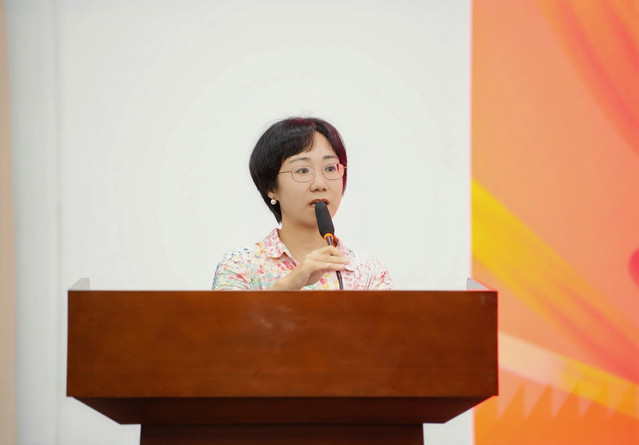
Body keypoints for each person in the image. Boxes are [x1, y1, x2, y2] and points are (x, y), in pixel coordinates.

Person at [212, 117, 393, 290]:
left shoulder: (368, 271)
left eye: (330, 168)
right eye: (303, 170)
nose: (320, 184)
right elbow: (232, 315)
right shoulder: (240, 266)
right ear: (271, 187)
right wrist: (286, 287)